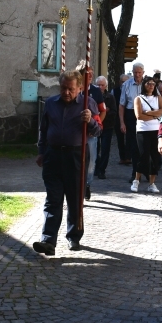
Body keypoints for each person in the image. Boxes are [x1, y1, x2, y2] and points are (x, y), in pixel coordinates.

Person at [33, 71, 101, 255]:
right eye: (63, 88)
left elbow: (98, 130)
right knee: (53, 199)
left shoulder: (88, 104)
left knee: (74, 198)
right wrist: (41, 152)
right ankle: (48, 240)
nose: (67, 92)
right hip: (53, 155)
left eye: (71, 89)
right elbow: (44, 129)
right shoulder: (51, 104)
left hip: (76, 156)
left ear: (79, 88)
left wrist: (91, 123)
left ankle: (74, 236)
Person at [77, 62, 106, 200]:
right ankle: (77, 186)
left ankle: (87, 184)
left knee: (92, 160)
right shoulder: (75, 89)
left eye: (92, 73)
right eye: (87, 73)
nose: (90, 76)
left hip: (91, 132)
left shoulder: (96, 91)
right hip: (76, 133)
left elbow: (103, 111)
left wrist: (93, 126)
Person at [132, 76, 162, 193]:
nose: (151, 85)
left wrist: (150, 113)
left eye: (153, 84)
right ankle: (136, 180)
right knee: (143, 156)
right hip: (143, 130)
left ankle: (152, 183)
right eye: (148, 83)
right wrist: (155, 115)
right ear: (144, 85)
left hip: (156, 130)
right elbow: (139, 116)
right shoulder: (138, 99)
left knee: (155, 157)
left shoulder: (157, 97)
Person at [119, 62, 145, 181]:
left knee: (146, 146)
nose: (137, 75)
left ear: (143, 72)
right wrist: (122, 122)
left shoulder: (148, 84)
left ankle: (146, 171)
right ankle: (135, 173)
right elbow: (122, 105)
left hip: (146, 116)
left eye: (139, 72)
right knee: (134, 146)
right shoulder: (127, 85)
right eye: (135, 72)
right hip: (131, 115)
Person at [94, 75, 116, 179]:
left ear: (105, 86)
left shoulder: (110, 97)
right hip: (96, 126)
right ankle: (97, 168)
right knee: (95, 148)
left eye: (102, 85)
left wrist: (106, 112)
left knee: (105, 149)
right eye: (98, 85)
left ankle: (102, 170)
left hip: (107, 126)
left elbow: (114, 111)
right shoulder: (93, 96)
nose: (100, 87)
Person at [112, 74, 131, 165]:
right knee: (120, 138)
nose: (124, 84)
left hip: (129, 117)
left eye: (126, 82)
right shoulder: (114, 91)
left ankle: (128, 157)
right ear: (120, 82)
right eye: (122, 82)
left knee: (129, 137)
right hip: (118, 117)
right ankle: (122, 157)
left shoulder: (130, 90)